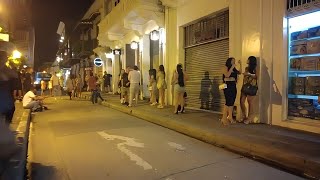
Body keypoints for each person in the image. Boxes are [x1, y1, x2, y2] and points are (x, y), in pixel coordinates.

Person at [221, 57, 242, 125]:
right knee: (228, 102)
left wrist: (240, 64)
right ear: (229, 61)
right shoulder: (225, 67)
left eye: (234, 61)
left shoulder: (234, 69)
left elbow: (239, 73)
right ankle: (224, 118)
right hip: (227, 85)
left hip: (233, 85)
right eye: (232, 61)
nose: (234, 62)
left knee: (232, 101)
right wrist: (232, 67)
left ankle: (230, 117)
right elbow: (227, 75)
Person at [240, 56, 258, 124]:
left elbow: (256, 76)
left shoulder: (255, 68)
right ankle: (244, 116)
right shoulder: (246, 68)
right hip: (245, 86)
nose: (247, 60)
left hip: (252, 87)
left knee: (250, 102)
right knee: (241, 101)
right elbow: (245, 77)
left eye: (248, 59)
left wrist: (248, 74)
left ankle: (249, 118)